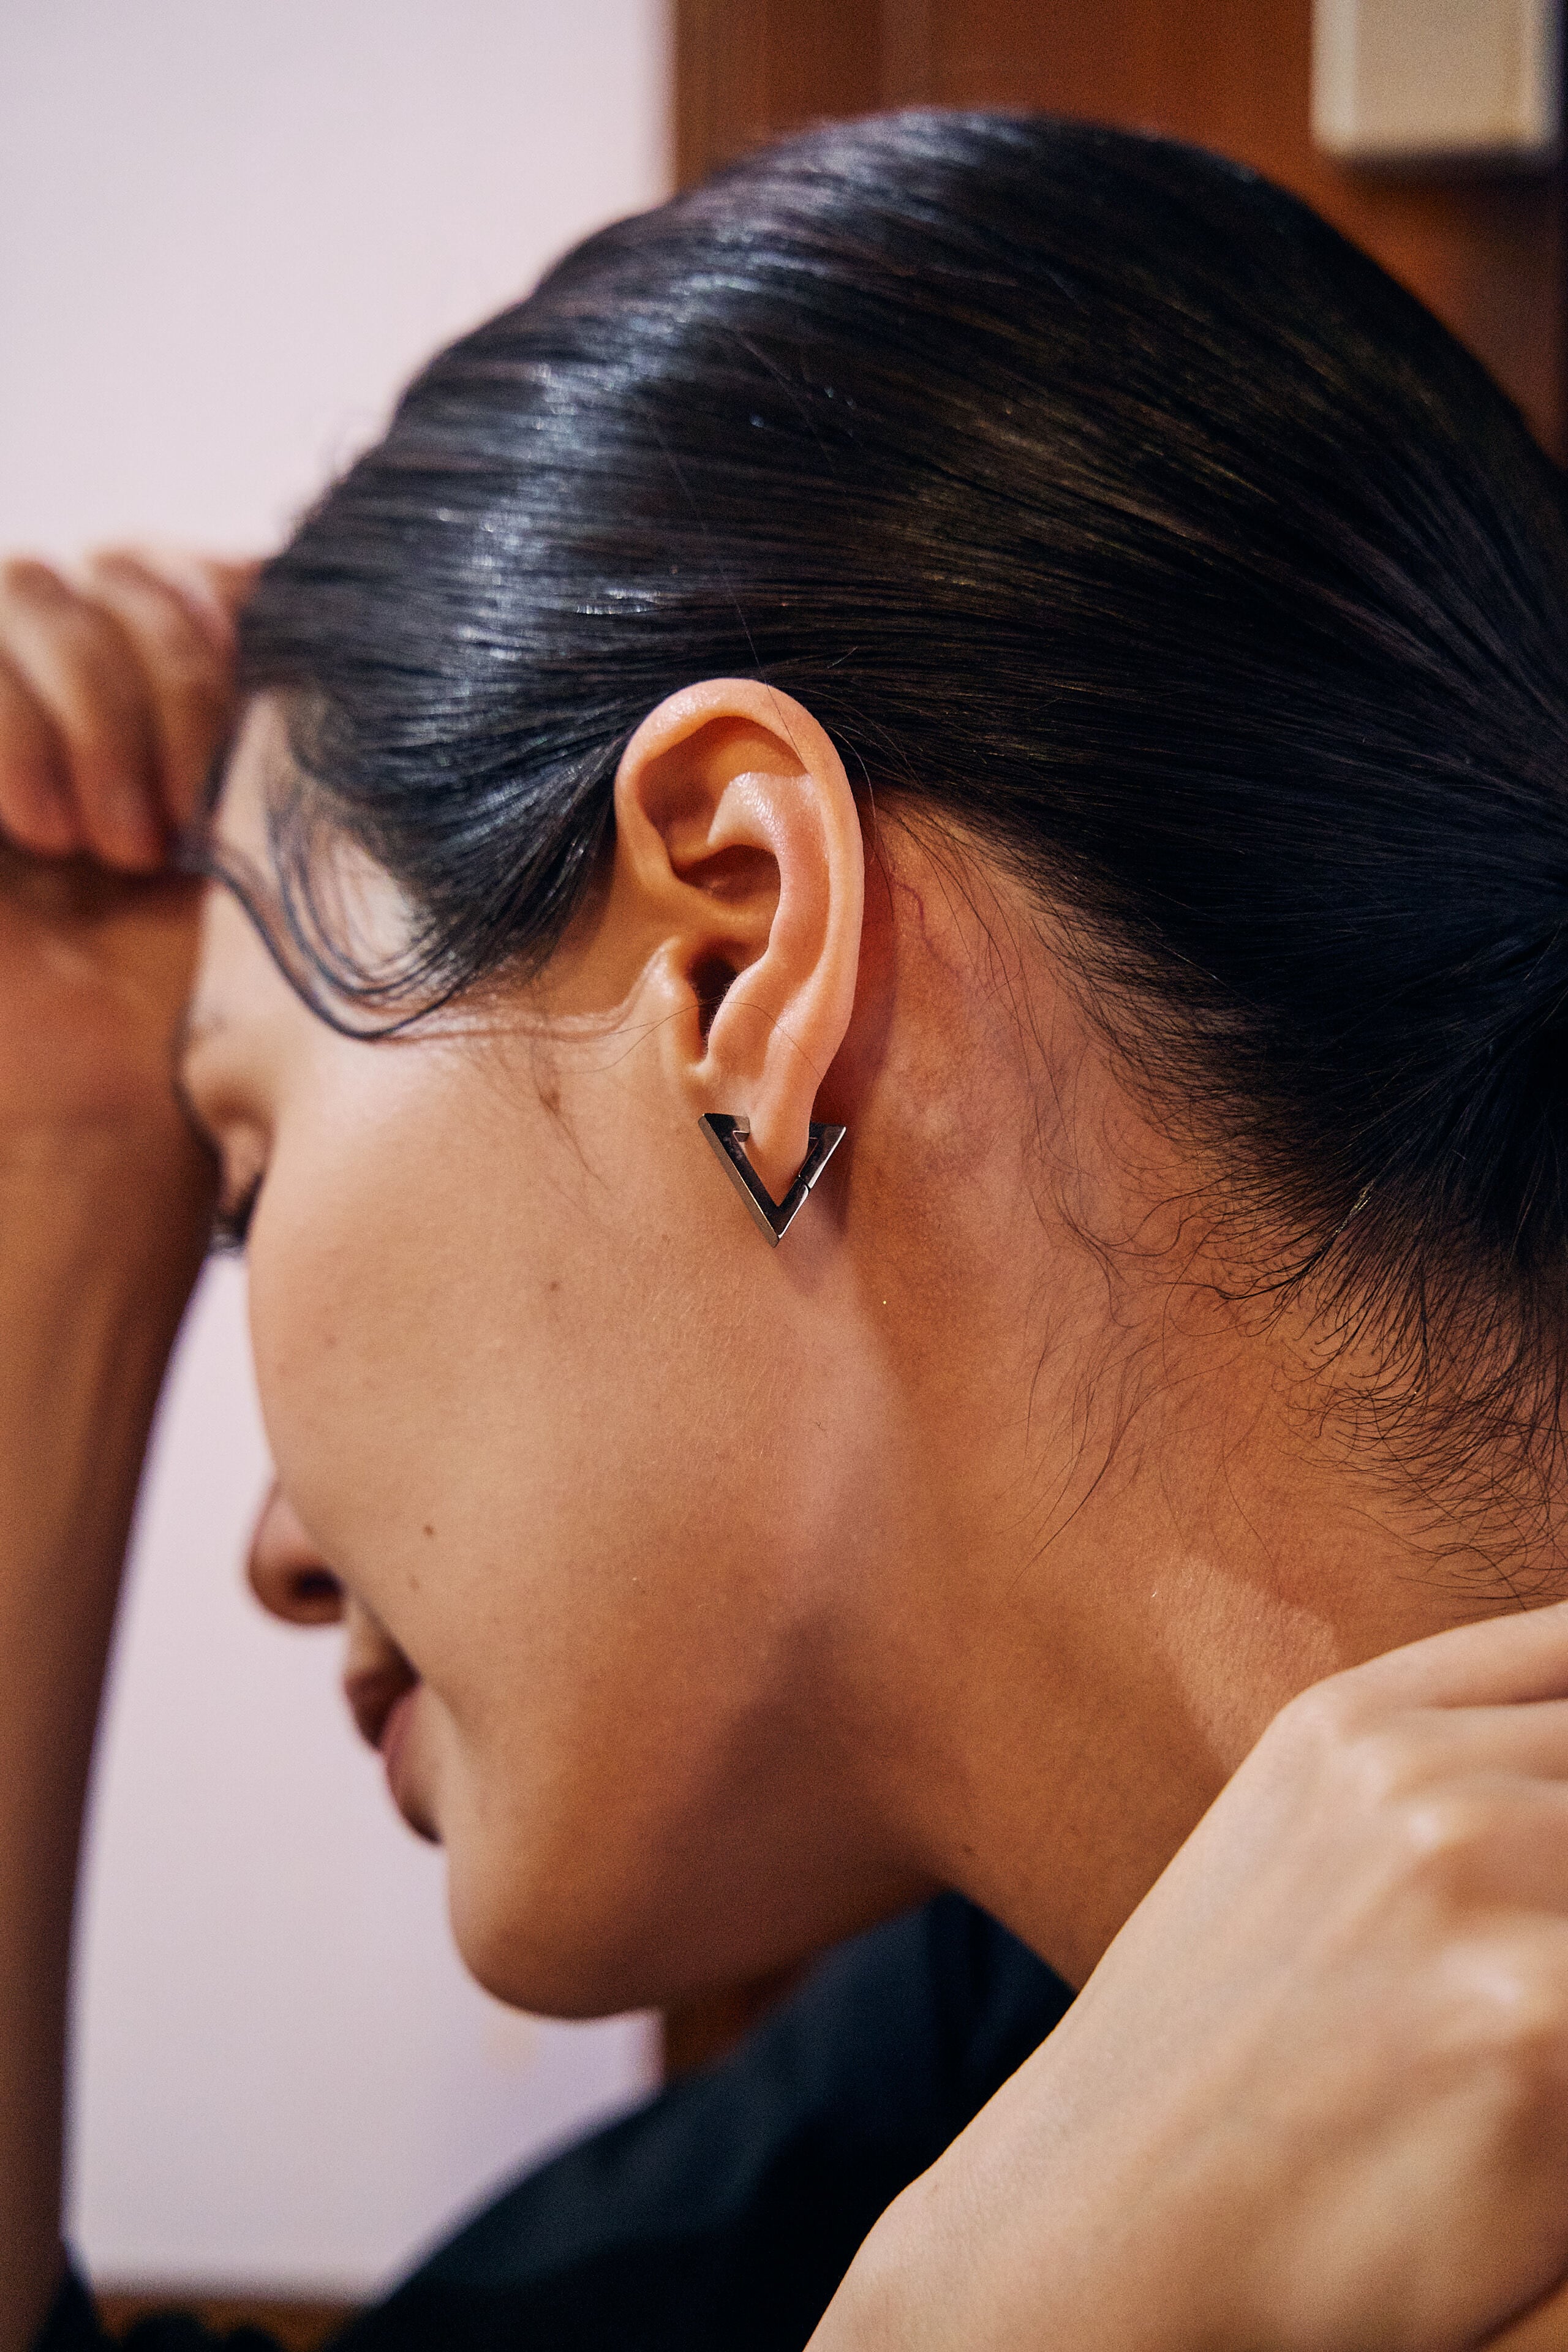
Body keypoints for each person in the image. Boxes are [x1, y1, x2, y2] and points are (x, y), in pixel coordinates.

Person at [8, 101, 1568, 2352]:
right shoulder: (1017, 2060)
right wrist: (60, 1131)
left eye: (242, 1179)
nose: (275, 1554)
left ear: (742, 947)